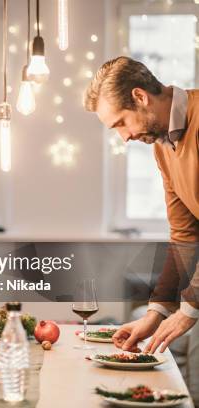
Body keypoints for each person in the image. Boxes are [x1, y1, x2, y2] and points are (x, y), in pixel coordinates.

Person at [83, 56, 198, 355]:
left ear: (140, 96)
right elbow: (184, 236)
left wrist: (190, 308)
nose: (125, 136)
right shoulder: (164, 147)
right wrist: (154, 314)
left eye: (121, 122)